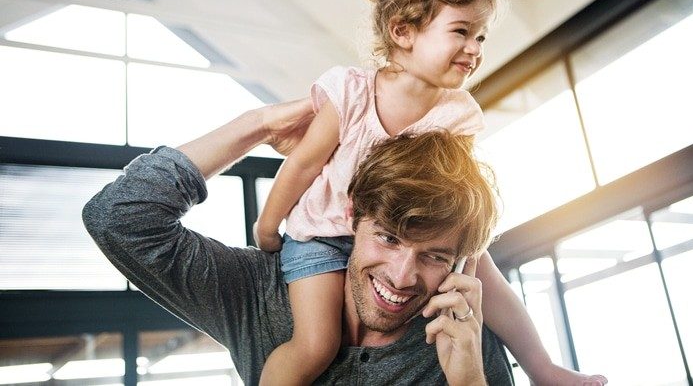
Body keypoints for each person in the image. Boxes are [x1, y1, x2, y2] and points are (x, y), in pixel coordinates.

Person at [253, 0, 607, 386]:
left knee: (482, 265)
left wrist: (461, 270)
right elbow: (304, 162)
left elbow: (457, 201)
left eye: (480, 37)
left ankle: (543, 368)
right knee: (316, 346)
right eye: (461, 32)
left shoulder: (458, 115)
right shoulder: (351, 92)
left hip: (409, 235)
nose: (475, 49)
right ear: (403, 32)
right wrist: (267, 227)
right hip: (323, 236)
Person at [83, 100, 514, 385]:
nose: (402, 277)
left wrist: (470, 381)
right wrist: (257, 125)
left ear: (460, 262)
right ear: (352, 214)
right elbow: (117, 218)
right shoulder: (260, 294)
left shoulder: (461, 342)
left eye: (434, 257)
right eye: (388, 238)